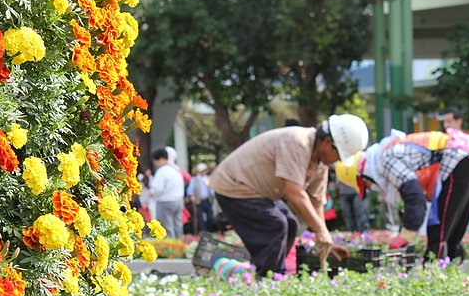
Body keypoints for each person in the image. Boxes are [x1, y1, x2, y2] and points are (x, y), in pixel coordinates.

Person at [209, 114, 369, 276]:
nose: (338, 161)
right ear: (328, 143)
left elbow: (316, 202)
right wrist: (320, 231)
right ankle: (269, 278)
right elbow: (295, 193)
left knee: (291, 225)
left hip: (259, 193)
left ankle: (269, 273)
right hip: (233, 185)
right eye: (340, 155)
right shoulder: (297, 143)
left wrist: (325, 238)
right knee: (275, 225)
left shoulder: (320, 161)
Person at [336, 129, 469, 262]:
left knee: (439, 229)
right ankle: (452, 270)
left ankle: (434, 275)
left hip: (457, 159)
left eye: (366, 184)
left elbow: (415, 199)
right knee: (453, 229)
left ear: (363, 174)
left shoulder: (385, 161)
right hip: (467, 162)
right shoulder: (387, 153)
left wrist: (405, 236)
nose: (371, 187)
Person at [150, 148, 185, 238]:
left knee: (166, 228)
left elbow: (157, 189)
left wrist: (152, 195)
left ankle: (170, 247)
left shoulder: (162, 171)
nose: (155, 163)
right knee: (178, 225)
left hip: (165, 202)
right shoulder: (175, 170)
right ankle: (180, 245)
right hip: (179, 201)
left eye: (156, 160)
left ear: (160, 159)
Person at [187, 163, 215, 232]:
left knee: (210, 217)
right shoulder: (194, 179)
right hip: (198, 200)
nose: (203, 172)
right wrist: (191, 196)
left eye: (204, 170)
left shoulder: (207, 178)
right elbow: (190, 190)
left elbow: (212, 191)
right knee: (200, 218)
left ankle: (209, 230)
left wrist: (211, 190)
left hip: (207, 200)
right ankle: (203, 232)